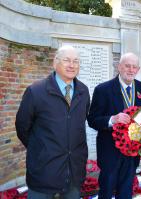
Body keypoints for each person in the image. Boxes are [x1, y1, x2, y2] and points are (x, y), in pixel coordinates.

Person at [15, 45, 90, 199]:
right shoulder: (36, 91)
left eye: (76, 61)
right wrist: (41, 149)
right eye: (66, 60)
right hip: (43, 174)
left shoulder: (84, 91)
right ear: (55, 63)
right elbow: (22, 127)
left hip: (74, 174)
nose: (72, 65)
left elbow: (79, 124)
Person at [87, 53, 141, 199]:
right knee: (107, 190)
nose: (131, 70)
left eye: (135, 67)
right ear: (119, 67)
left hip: (132, 152)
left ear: (138, 69)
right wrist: (112, 119)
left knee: (126, 190)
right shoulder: (103, 89)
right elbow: (92, 120)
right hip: (110, 150)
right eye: (127, 66)